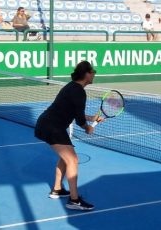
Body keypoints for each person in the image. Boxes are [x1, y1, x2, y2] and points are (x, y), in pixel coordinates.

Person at [34, 61, 103, 211]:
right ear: (86, 74)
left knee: (65, 158)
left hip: (47, 125)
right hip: (53, 127)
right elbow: (79, 120)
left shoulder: (71, 87)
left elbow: (73, 111)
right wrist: (87, 128)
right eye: (93, 72)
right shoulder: (79, 91)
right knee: (73, 159)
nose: (94, 75)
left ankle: (57, 189)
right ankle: (74, 200)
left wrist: (91, 119)